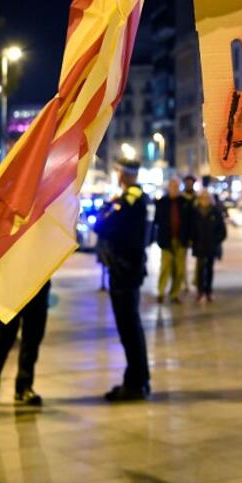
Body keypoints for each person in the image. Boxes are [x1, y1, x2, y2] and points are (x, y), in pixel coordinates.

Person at [96, 158, 152, 402]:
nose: (118, 176)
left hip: (124, 270)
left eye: (120, 172)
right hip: (130, 269)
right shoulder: (139, 199)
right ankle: (138, 380)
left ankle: (136, 383)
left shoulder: (129, 200)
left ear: (125, 175)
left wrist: (105, 209)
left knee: (129, 329)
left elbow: (104, 227)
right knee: (132, 328)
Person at [0, 281, 50, 406]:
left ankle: (24, 386)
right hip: (12, 285)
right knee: (3, 338)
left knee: (33, 337)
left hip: (38, 283)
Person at [153, 178, 194, 304]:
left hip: (181, 241)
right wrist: (158, 239)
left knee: (179, 270)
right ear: (168, 188)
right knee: (165, 267)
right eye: (172, 186)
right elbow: (156, 222)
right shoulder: (162, 202)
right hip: (166, 240)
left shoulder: (185, 202)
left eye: (176, 186)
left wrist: (189, 239)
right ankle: (161, 292)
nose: (174, 189)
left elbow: (189, 223)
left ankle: (174, 294)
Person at [191, 190, 227, 303]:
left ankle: (208, 292)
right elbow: (190, 228)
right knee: (200, 270)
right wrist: (193, 239)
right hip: (199, 245)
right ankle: (200, 291)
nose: (205, 199)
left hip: (211, 246)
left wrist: (216, 240)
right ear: (200, 199)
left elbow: (222, 231)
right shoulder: (195, 211)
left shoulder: (215, 211)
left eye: (207, 197)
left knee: (210, 269)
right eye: (203, 197)